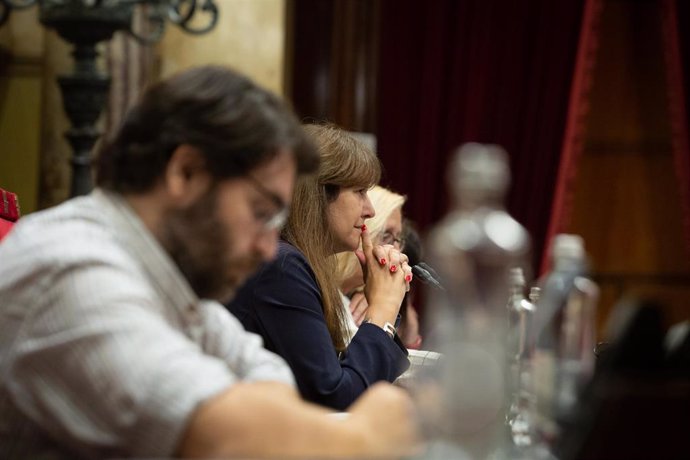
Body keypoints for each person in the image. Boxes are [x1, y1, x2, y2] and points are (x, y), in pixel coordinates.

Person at [0, 66, 420, 459]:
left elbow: (268, 385)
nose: (269, 248)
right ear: (186, 172)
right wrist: (364, 433)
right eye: (261, 212)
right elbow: (225, 429)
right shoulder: (72, 268)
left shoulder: (168, 279)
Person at [226, 123, 413, 411]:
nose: (370, 210)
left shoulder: (289, 261)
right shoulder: (283, 266)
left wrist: (384, 307)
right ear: (320, 194)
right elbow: (335, 399)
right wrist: (382, 312)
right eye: (360, 192)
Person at [336, 186, 422, 349]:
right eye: (387, 236)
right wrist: (386, 305)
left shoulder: (365, 298)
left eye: (398, 238)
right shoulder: (314, 287)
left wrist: (403, 308)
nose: (397, 251)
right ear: (358, 230)